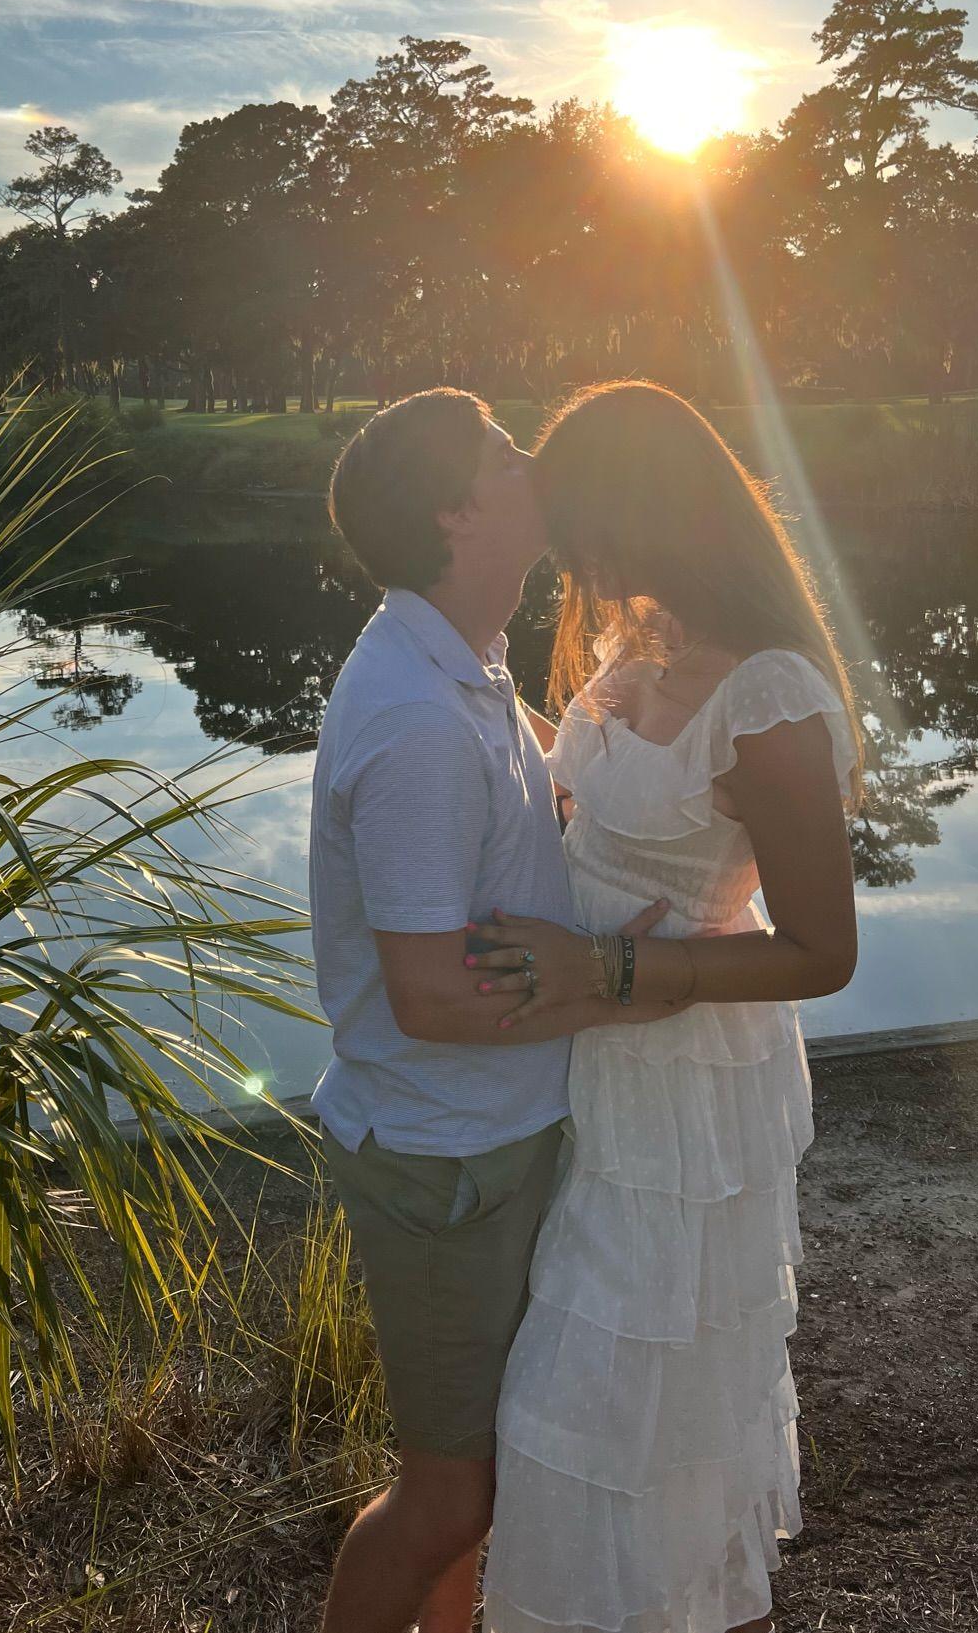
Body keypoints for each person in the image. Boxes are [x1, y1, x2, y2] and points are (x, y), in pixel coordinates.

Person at [468, 380, 864, 1633]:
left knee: (630, 1410)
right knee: (606, 1413)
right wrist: (464, 692)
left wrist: (621, 975)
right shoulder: (644, 647)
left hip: (692, 1092)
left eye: (585, 523)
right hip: (599, 1071)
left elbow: (822, 949)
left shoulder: (770, 696)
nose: (573, 558)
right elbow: (604, 802)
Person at [309, 388, 671, 1633]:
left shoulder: (462, 660)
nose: (539, 463)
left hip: (493, 1130)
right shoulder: (413, 721)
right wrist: (605, 981)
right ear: (461, 513)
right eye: (511, 454)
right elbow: (421, 995)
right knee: (450, 1496)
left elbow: (534, 795)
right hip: (446, 1154)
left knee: (497, 1473)